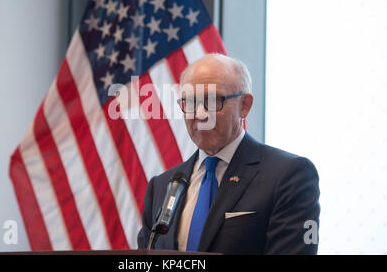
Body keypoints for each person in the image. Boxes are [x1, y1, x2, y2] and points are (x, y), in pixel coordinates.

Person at [137, 53, 320, 254]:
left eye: (213, 100)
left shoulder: (288, 176)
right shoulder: (162, 186)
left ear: (245, 106)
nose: (200, 114)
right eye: (190, 102)